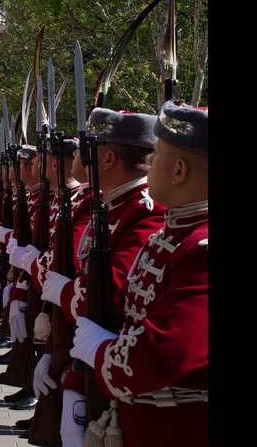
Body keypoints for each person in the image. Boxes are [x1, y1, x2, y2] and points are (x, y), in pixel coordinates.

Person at [67, 101, 207, 447]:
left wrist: (100, 354)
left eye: (156, 154)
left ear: (178, 171)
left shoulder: (200, 248)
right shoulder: (173, 234)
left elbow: (162, 354)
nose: (149, 163)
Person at [39, 108, 166, 447]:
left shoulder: (143, 210)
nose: (76, 154)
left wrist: (64, 294)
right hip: (92, 361)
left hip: (120, 377)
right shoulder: (110, 205)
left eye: (85, 147)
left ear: (108, 157)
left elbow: (112, 292)